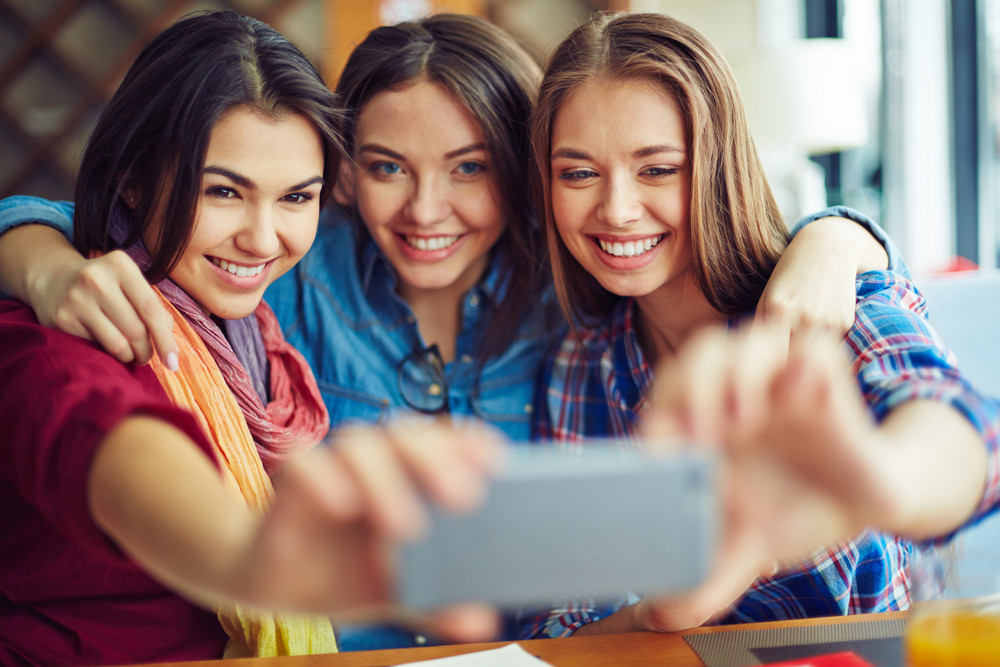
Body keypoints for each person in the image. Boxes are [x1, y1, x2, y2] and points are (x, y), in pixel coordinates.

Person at [0, 11, 895, 651]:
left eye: (469, 168)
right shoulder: (288, 271)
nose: (427, 210)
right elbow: (122, 243)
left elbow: (710, 245)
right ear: (345, 179)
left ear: (523, 172)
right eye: (387, 167)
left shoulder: (573, 291)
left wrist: (839, 235)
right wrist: (38, 253)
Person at [0, 11, 503, 666]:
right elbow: (104, 438)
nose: (263, 239)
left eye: (296, 198)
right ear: (130, 177)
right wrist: (252, 558)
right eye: (223, 191)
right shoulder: (60, 327)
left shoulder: (254, 330)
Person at [523, 11, 998, 639]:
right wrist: (664, 614)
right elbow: (561, 622)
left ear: (718, 167)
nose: (616, 210)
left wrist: (875, 478)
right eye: (578, 173)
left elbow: (964, 436)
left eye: (658, 169)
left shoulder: (822, 297)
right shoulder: (582, 364)